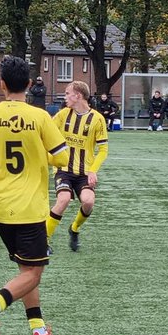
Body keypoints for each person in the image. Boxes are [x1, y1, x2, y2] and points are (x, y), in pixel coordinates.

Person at [0, 56, 69, 335]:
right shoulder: (39, 116)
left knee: (27, 271)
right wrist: (40, 154)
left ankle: (38, 331)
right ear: (29, 84)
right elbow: (61, 157)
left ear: (1, 85)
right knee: (34, 273)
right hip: (30, 209)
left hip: (1, 208)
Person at [47, 80, 109, 253]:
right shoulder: (62, 115)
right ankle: (44, 240)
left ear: (78, 95)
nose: (65, 97)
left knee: (88, 202)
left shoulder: (97, 119)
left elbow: (103, 150)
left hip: (84, 172)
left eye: (68, 93)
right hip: (63, 169)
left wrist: (92, 171)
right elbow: (46, 132)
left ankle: (74, 228)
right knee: (63, 199)